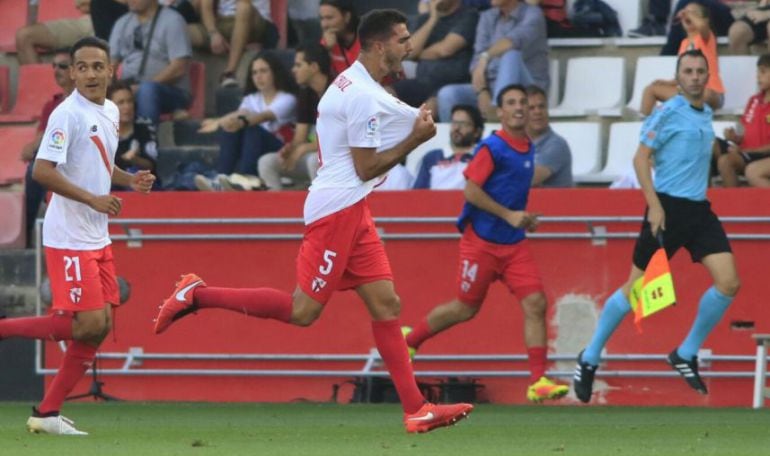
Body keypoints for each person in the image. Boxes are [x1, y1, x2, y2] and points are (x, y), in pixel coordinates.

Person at [154, 9, 474, 433]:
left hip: (353, 207)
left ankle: (415, 409)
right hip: (338, 208)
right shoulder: (361, 95)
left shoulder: (358, 85)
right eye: (403, 39)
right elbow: (364, 167)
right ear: (379, 46)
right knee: (303, 311)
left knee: (387, 304)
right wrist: (415, 138)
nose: (410, 45)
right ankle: (198, 295)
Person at [0, 36, 154, 435]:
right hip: (68, 234)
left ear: (111, 70)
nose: (89, 74)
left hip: (96, 235)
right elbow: (43, 170)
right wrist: (93, 199)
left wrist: (129, 179)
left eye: (96, 66)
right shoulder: (66, 115)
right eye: (81, 67)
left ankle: (47, 413)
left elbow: (99, 163)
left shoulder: (108, 111)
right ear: (71, 73)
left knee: (99, 324)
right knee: (87, 323)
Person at [573, 50, 741, 403]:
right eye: (688, 71)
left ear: (706, 77)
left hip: (698, 211)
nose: (695, 76)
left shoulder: (705, 113)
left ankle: (685, 352)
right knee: (636, 291)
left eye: (700, 71)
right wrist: (653, 206)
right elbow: (640, 157)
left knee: (728, 283)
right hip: (666, 209)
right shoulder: (667, 113)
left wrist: (724, 145)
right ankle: (589, 357)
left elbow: (694, 147)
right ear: (678, 78)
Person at [404, 84, 568, 403]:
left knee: (536, 302)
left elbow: (509, 192)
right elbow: (471, 191)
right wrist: (509, 215)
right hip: (481, 243)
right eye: (512, 103)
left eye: (524, 102)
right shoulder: (492, 148)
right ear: (500, 112)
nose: (520, 107)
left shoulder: (527, 146)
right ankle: (410, 340)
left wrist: (522, 219)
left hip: (513, 244)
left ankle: (538, 381)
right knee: (465, 309)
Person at [194, 51, 297, 191]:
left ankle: (245, 178)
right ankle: (221, 177)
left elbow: (265, 116)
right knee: (232, 128)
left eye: (263, 71)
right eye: (254, 73)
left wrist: (241, 122)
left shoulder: (287, 98)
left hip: (281, 149)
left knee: (252, 129)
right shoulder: (252, 98)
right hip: (255, 147)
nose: (258, 77)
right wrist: (219, 122)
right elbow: (240, 113)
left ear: (275, 72)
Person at [436, 0, 549, 121]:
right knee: (447, 95)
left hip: (528, 87)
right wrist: (481, 91)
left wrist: (485, 57)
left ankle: (498, 112)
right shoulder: (487, 16)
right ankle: (455, 137)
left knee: (511, 55)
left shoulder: (533, 14)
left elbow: (512, 42)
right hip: (490, 86)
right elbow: (476, 61)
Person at [20, 49, 75, 247]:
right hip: (55, 159)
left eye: (62, 66)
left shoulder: (84, 101)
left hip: (74, 157)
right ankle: (29, 238)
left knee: (37, 169)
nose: (56, 70)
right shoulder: (51, 105)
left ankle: (31, 237)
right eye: (53, 66)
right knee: (35, 169)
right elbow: (36, 144)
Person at [109, 0, 193, 127]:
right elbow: (110, 64)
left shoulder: (173, 20)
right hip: (130, 88)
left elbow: (179, 67)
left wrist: (142, 87)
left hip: (170, 92)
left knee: (147, 90)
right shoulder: (122, 23)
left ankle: (146, 141)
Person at [257, 44, 329, 190]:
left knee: (315, 161)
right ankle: (278, 210)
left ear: (314, 67)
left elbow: (339, 140)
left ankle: (326, 209)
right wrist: (291, 148)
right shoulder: (306, 93)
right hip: (313, 154)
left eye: (298, 65)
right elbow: (299, 138)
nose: (293, 70)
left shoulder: (339, 91)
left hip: (342, 160)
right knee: (267, 162)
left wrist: (303, 149)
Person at [389, 0, 478, 109]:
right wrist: (433, 19)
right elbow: (408, 52)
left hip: (451, 82)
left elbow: (445, 49)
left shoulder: (469, 15)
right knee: (385, 92)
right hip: (423, 83)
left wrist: (418, 54)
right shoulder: (423, 20)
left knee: (427, 111)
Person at [640, 3, 724, 116]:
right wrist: (668, 83)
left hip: (711, 93)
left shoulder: (707, 37)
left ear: (705, 20)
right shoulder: (684, 43)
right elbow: (685, 75)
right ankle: (646, 128)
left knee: (704, 94)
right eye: (684, 12)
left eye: (694, 13)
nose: (686, 15)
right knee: (650, 90)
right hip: (688, 92)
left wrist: (688, 14)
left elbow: (702, 26)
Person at [188, 0, 279, 87]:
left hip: (255, 21)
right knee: (182, 30)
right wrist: (213, 33)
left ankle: (229, 73)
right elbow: (206, 5)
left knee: (243, 7)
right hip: (224, 22)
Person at [715, 54, 770, 187]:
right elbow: (748, 136)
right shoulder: (753, 100)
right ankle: (732, 205)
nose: (758, 76)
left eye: (763, 71)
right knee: (721, 157)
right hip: (747, 154)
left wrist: (745, 151)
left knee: (751, 171)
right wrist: (735, 138)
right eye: (757, 72)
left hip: (763, 156)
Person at [413, 104, 483, 190]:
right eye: (454, 122)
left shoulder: (482, 156)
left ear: (477, 131)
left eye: (463, 124)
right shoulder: (432, 158)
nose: (457, 128)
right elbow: (418, 194)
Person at [108, 80, 159, 190]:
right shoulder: (101, 130)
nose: (127, 107)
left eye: (129, 101)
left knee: (136, 174)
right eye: (120, 103)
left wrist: (134, 159)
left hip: (142, 184)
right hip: (111, 184)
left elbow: (151, 165)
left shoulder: (144, 125)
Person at [15, 0, 94, 65]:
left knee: (25, 35)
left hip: (95, 22)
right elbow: (81, 5)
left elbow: (87, 5)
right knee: (24, 36)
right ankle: (37, 83)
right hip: (85, 21)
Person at [526, 85, 572, 188]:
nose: (537, 112)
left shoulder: (556, 145)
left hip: (556, 203)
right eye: (531, 108)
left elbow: (528, 179)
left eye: (541, 106)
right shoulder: (516, 144)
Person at [319, 0, 360, 77]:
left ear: (347, 17)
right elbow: (319, 76)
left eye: (329, 18)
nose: (324, 24)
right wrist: (327, 50)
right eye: (321, 18)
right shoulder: (327, 41)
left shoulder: (368, 38)